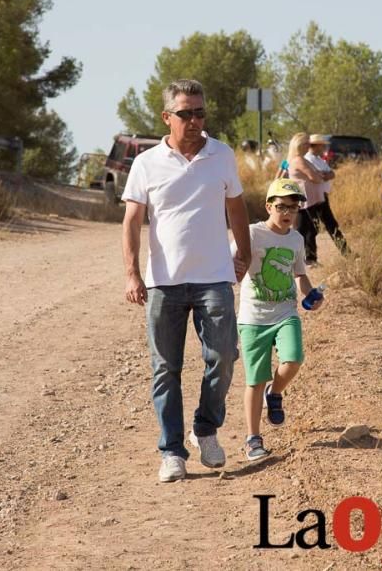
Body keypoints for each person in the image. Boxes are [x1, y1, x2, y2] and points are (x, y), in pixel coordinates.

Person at [121, 79, 252, 483]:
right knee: (166, 369)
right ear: (167, 117)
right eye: (185, 113)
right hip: (165, 282)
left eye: (199, 112)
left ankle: (206, 429)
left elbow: (237, 209)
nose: (194, 121)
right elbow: (132, 220)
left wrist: (243, 256)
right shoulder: (146, 163)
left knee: (224, 358)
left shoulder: (222, 155)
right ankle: (171, 452)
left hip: (214, 277)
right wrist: (132, 273)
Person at [234, 178, 323, 461]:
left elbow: (300, 275)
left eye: (293, 208)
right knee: (255, 380)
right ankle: (253, 439)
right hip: (253, 318)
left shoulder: (296, 239)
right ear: (268, 206)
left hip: (286, 312)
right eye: (282, 206)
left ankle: (276, 392)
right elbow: (233, 264)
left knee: (293, 360)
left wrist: (311, 294)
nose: (287, 213)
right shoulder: (251, 233)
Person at [305, 134, 349, 257]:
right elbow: (318, 176)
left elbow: (331, 174)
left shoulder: (320, 160)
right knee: (312, 227)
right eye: (322, 145)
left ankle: (346, 252)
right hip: (313, 197)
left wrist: (324, 175)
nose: (324, 147)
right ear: (317, 145)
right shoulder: (308, 159)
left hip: (322, 196)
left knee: (331, 225)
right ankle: (310, 257)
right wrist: (324, 175)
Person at [287, 132, 326, 266]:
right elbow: (314, 176)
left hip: (306, 200)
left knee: (306, 229)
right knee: (307, 230)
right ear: (300, 145)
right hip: (304, 201)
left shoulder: (300, 159)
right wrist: (319, 176)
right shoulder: (299, 160)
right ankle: (307, 259)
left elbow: (316, 175)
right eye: (307, 144)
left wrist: (318, 175)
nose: (309, 146)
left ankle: (306, 259)